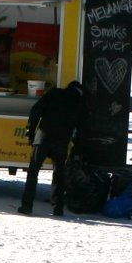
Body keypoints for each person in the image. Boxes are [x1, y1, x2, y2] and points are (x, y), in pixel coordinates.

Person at [20, 80, 86, 216]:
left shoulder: (54, 93)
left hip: (42, 138)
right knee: (58, 175)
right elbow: (83, 130)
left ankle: (27, 206)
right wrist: (76, 149)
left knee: (33, 172)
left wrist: (30, 131)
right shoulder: (79, 103)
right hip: (61, 143)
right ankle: (58, 208)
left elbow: (36, 110)